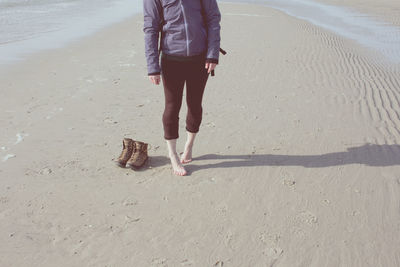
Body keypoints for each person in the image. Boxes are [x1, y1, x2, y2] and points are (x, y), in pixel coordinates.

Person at [143, 0, 221, 176]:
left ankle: (189, 145)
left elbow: (213, 19)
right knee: (172, 106)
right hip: (171, 60)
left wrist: (212, 54)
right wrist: (153, 66)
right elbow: (151, 28)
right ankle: (172, 154)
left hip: (200, 58)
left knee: (194, 104)